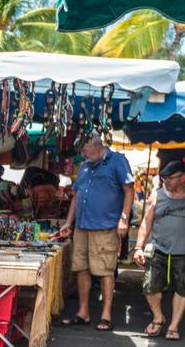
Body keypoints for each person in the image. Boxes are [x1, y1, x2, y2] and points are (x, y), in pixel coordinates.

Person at [57, 132, 135, 331]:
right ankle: (83, 313)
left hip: (104, 226)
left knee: (105, 271)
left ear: (97, 145)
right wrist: (68, 222)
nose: (83, 154)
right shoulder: (85, 167)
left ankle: (106, 315)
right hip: (82, 226)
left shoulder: (117, 160)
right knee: (81, 269)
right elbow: (76, 196)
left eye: (85, 149)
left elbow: (129, 189)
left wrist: (124, 218)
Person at [134, 160, 185, 340]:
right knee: (149, 286)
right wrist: (138, 247)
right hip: (158, 248)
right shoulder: (157, 195)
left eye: (170, 178)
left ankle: (173, 326)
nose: (166, 181)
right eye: (164, 178)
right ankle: (158, 317)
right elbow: (146, 222)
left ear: (183, 177)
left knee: (183, 290)